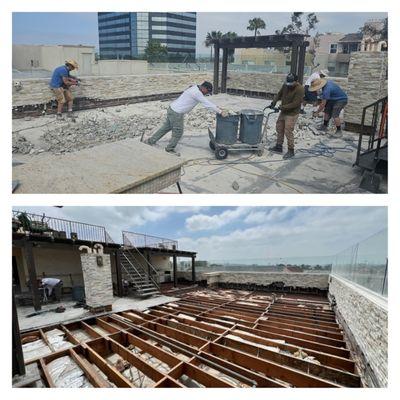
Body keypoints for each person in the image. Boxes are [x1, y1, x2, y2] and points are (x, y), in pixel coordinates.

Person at [145, 81, 227, 156]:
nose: (207, 93)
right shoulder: (197, 93)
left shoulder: (195, 87)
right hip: (177, 113)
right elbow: (207, 104)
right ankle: (169, 149)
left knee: (165, 128)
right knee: (178, 132)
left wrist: (217, 107)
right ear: (203, 88)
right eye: (207, 91)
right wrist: (220, 112)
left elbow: (203, 97)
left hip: (172, 109)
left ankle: (151, 141)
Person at [268, 73, 305, 160]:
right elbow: (279, 94)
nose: (289, 85)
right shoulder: (286, 85)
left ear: (296, 81)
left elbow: (295, 103)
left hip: (292, 113)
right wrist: (274, 101)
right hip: (284, 111)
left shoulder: (300, 89)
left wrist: (282, 107)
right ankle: (279, 146)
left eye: (291, 83)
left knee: (288, 131)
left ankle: (291, 150)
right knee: (279, 128)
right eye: (288, 83)